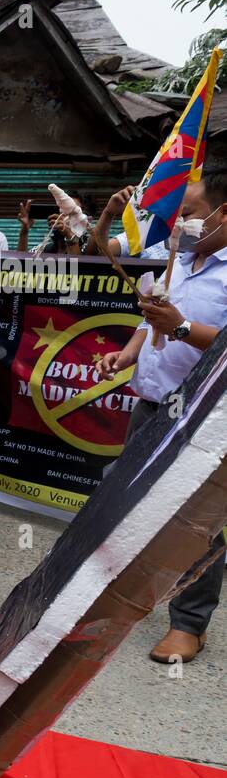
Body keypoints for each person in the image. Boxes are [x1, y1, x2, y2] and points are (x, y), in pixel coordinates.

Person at [94, 172, 227, 664]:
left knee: (193, 522)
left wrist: (184, 327)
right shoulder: (177, 262)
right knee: (126, 499)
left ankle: (190, 624)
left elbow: (195, 332)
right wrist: (127, 355)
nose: (180, 224)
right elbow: (149, 316)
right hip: (151, 405)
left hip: (202, 417)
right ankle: (129, 594)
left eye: (190, 214)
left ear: (224, 212)